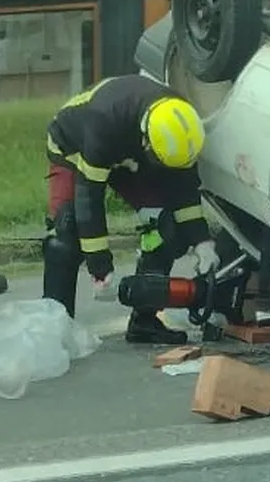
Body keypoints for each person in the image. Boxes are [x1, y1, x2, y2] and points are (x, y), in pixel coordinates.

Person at [42, 74, 220, 345]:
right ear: (147, 141)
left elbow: (183, 191)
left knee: (164, 228)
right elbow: (88, 199)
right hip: (74, 146)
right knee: (67, 232)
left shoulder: (179, 127)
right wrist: (99, 267)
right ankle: (56, 330)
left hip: (130, 155)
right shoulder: (104, 124)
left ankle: (144, 321)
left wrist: (201, 241)